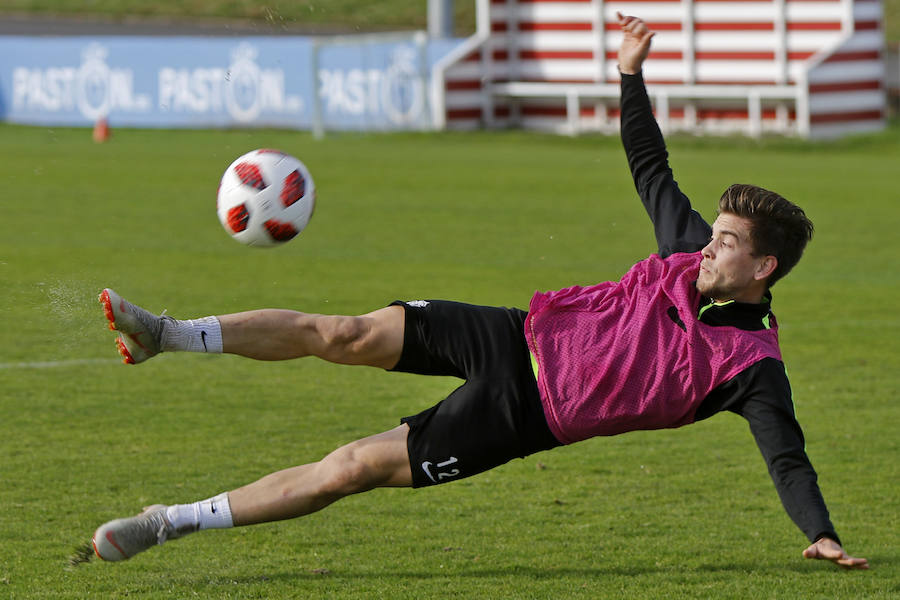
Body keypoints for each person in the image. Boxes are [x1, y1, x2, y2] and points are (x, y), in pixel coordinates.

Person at [89, 14, 867, 570]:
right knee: (344, 333)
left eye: (728, 243)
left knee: (351, 467)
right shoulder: (686, 248)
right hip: (510, 333)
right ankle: (169, 333)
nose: (709, 247)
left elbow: (788, 458)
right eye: (715, 233)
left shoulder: (749, 366)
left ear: (764, 269)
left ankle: (170, 523)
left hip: (520, 416)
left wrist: (820, 531)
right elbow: (650, 166)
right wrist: (630, 72)